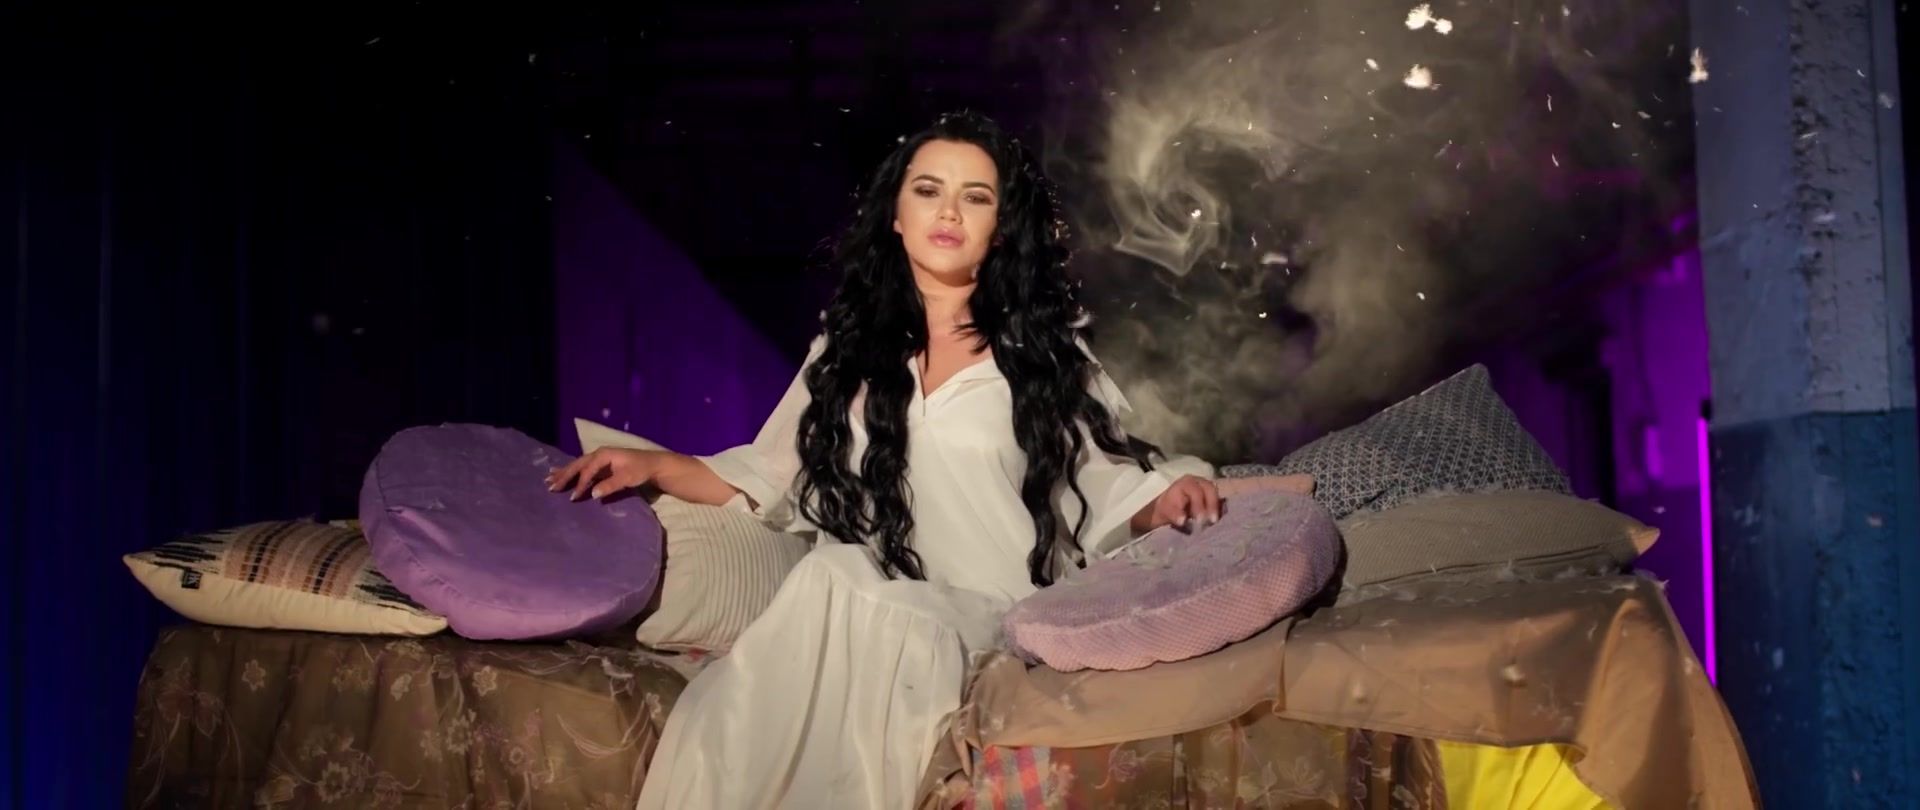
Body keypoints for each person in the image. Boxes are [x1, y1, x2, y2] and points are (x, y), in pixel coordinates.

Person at [546, 109, 1218, 809]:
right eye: (928, 190)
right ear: (896, 215)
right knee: (833, 574)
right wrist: (655, 466)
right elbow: (766, 472)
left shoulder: (1044, 359)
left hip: (993, 616)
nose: (949, 211)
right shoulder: (845, 355)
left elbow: (1105, 481)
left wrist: (1166, 499)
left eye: (976, 197)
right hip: (875, 606)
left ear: (1000, 228)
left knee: (842, 579)